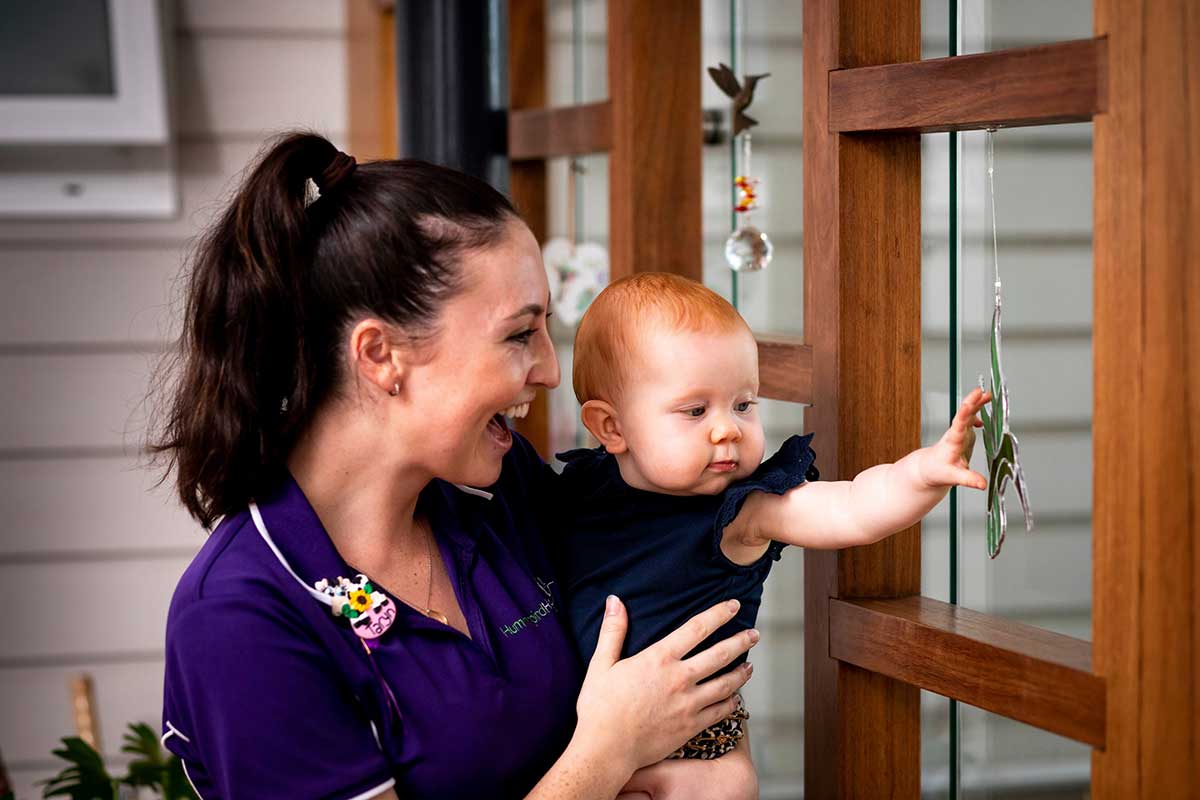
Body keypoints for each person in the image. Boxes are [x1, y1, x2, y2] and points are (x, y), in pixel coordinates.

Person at [151, 133, 760, 800]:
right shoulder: (240, 621)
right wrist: (607, 753)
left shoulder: (500, 489)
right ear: (382, 354)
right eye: (520, 334)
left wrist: (718, 759)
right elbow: (626, 725)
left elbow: (661, 635)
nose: (553, 371)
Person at [554, 273, 989, 773]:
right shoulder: (582, 490)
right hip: (588, 741)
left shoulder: (743, 511)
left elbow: (853, 507)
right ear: (611, 427)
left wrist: (922, 472)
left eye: (743, 404)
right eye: (695, 410)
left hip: (690, 758)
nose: (727, 429)